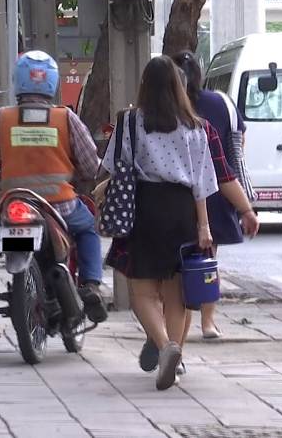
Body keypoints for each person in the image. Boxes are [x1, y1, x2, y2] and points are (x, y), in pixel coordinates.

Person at [0, 50, 108, 354]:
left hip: (14, 208)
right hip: (61, 207)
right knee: (87, 231)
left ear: (18, 82)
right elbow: (90, 166)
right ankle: (90, 285)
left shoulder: (1, 118)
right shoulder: (65, 117)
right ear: (52, 83)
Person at [103, 56, 217, 391]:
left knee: (141, 290)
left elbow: (114, 167)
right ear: (178, 86)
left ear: (144, 87)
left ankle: (166, 345)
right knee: (175, 293)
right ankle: (175, 353)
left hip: (145, 208)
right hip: (182, 210)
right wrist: (204, 227)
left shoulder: (129, 122)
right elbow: (202, 183)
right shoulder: (195, 127)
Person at [173, 51, 261, 341]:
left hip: (171, 196)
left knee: (172, 266)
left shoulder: (160, 108)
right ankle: (207, 322)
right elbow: (237, 144)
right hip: (214, 191)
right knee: (207, 259)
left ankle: (169, 329)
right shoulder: (220, 103)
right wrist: (246, 208)